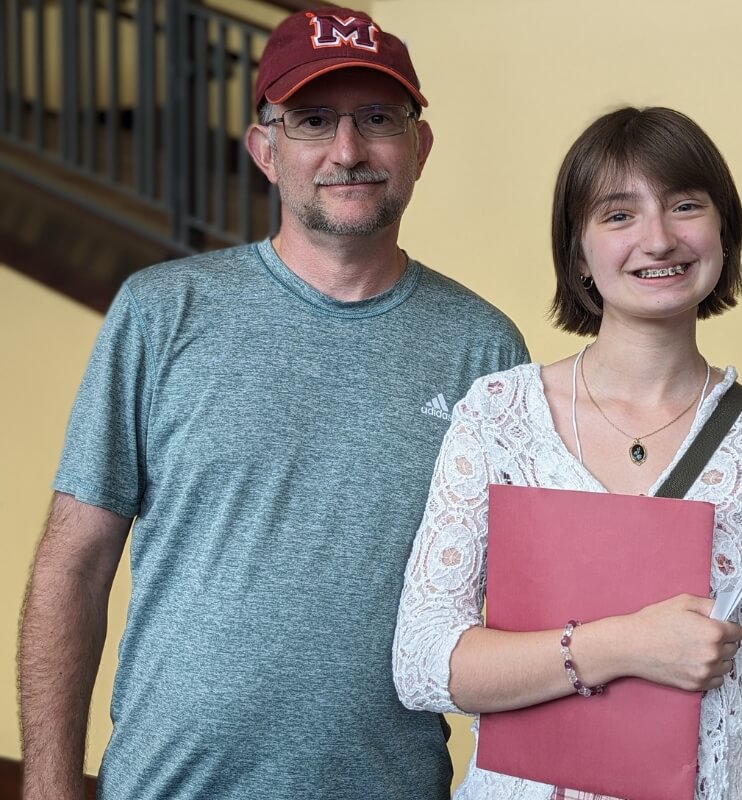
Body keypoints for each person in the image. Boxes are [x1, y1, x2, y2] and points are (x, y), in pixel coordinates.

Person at [18, 7, 527, 799]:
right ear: (264, 149)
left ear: (419, 147)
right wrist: (49, 790)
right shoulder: (163, 313)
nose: (349, 150)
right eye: (313, 121)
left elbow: (519, 607)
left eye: (378, 119)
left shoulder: (484, 350)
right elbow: (73, 564)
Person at [392, 106, 742, 799]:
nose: (658, 238)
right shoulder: (500, 415)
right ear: (578, 253)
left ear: (724, 231)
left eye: (685, 206)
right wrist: (625, 646)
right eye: (619, 215)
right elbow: (422, 666)